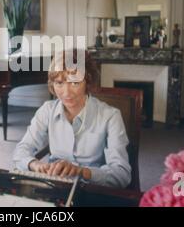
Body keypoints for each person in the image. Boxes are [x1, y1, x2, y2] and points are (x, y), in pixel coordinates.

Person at [13, 49, 131, 188]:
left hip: (92, 189)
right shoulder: (47, 110)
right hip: (55, 186)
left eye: (74, 83)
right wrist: (35, 164)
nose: (66, 93)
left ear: (87, 82)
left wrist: (82, 172)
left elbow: (122, 175)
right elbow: (21, 151)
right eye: (59, 83)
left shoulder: (111, 116)